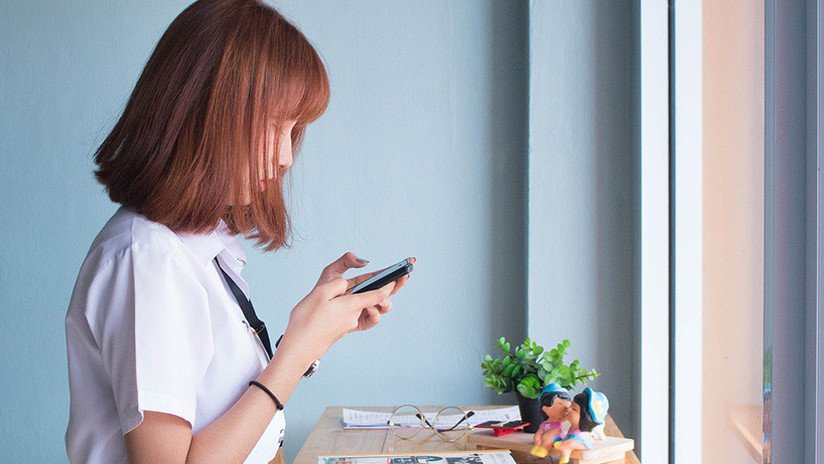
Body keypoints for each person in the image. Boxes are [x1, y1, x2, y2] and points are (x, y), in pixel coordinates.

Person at [64, 1, 412, 462]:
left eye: (295, 130)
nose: (287, 156)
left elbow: (226, 410)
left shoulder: (197, 247)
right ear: (203, 111)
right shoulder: (147, 259)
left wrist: (311, 336)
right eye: (274, 126)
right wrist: (298, 350)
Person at [552, 387, 610, 464]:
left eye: (574, 409)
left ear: (585, 418)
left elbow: (576, 440)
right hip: (571, 438)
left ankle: (565, 453)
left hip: (582, 442)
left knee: (570, 443)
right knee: (563, 440)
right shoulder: (573, 427)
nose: (568, 409)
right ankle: (565, 449)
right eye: (571, 405)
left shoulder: (582, 434)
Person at [529, 383, 572, 458]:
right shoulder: (545, 423)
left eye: (565, 406)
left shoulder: (557, 425)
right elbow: (540, 431)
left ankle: (544, 449)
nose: (564, 409)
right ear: (545, 408)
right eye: (560, 404)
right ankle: (537, 447)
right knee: (537, 436)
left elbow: (552, 433)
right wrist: (537, 440)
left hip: (557, 438)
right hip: (546, 437)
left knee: (547, 437)